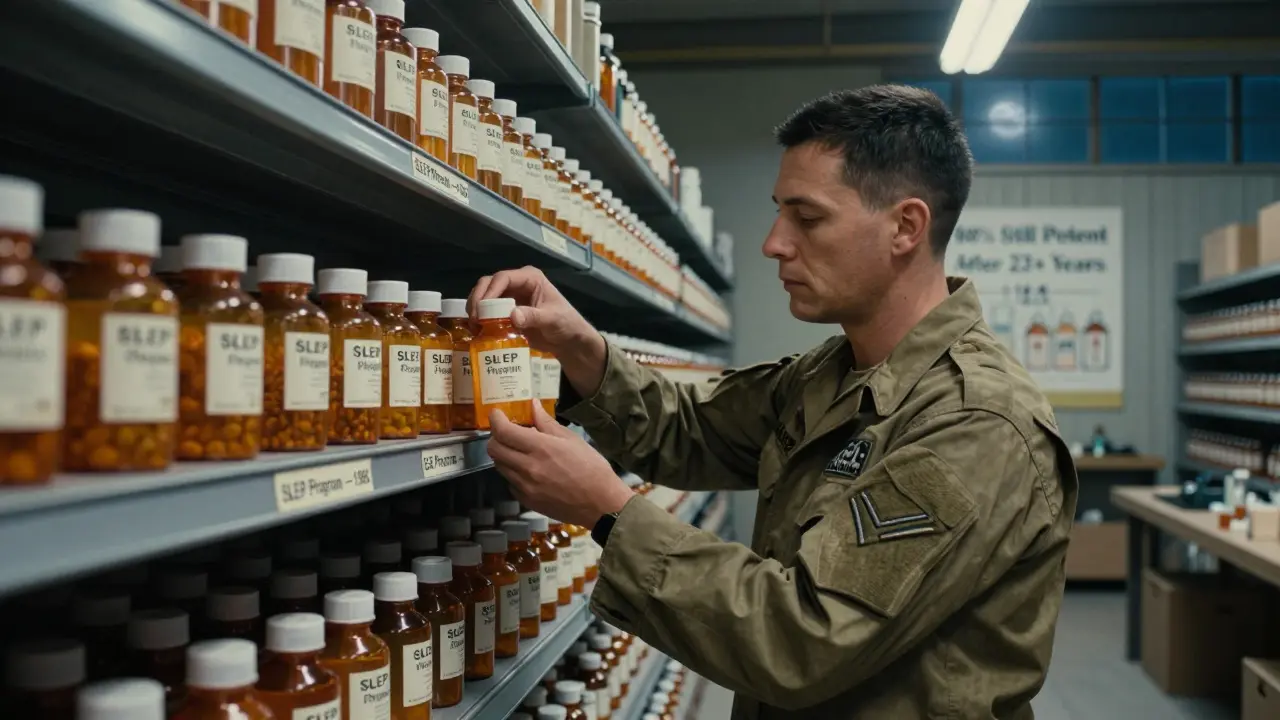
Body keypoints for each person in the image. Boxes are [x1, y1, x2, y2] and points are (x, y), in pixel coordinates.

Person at [470, 84, 1078, 719]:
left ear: (906, 226)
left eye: (807, 218)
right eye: (778, 212)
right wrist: (582, 350)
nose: (774, 243)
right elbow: (692, 430)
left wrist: (609, 512)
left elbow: (803, 637)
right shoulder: (831, 373)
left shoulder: (976, 423)